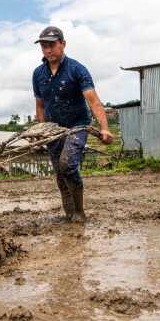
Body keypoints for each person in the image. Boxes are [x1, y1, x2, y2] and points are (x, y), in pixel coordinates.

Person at [32, 26, 114, 222]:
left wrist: (104, 128)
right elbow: (40, 105)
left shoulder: (77, 69)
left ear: (63, 44)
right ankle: (69, 215)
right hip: (53, 129)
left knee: (67, 164)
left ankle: (79, 211)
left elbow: (93, 101)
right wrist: (42, 130)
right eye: (44, 46)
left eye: (51, 45)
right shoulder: (38, 74)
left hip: (77, 125)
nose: (48, 50)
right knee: (60, 174)